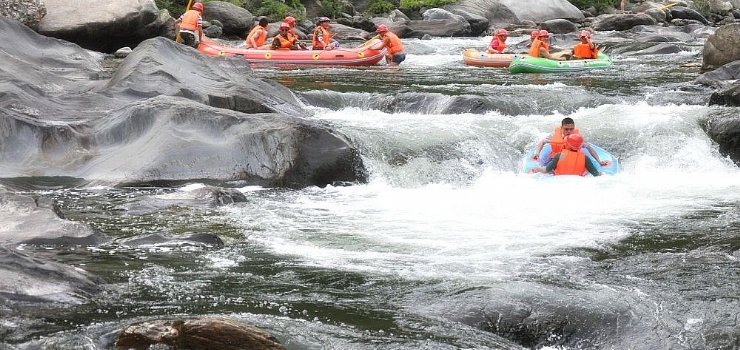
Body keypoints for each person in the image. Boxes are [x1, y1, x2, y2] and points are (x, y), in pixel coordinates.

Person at [531, 117, 609, 166]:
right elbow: (542, 142)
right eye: (566, 129)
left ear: (574, 128)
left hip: (572, 157)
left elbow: (589, 148)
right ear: (561, 128)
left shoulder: (577, 137)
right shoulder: (554, 135)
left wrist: (599, 161)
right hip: (557, 157)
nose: (569, 131)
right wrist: (537, 153)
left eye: (571, 129)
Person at [529, 134, 602, 176]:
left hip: (560, 180)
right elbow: (595, 174)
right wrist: (601, 173)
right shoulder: (585, 158)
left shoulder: (560, 155)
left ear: (567, 144)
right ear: (580, 147)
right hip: (578, 182)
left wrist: (537, 169)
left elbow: (546, 170)